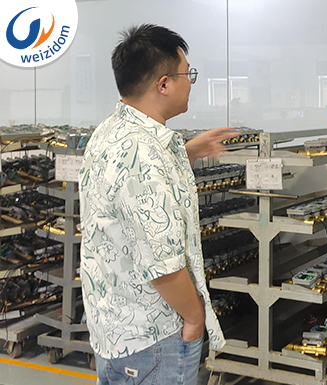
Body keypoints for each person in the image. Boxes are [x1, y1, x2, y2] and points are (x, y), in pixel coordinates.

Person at [79, 24, 238, 385]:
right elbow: (162, 266)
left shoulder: (111, 131)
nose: (191, 82)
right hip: (154, 338)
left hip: (117, 328)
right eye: (187, 74)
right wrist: (195, 318)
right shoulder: (142, 154)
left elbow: (130, 191)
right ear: (163, 84)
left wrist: (187, 151)